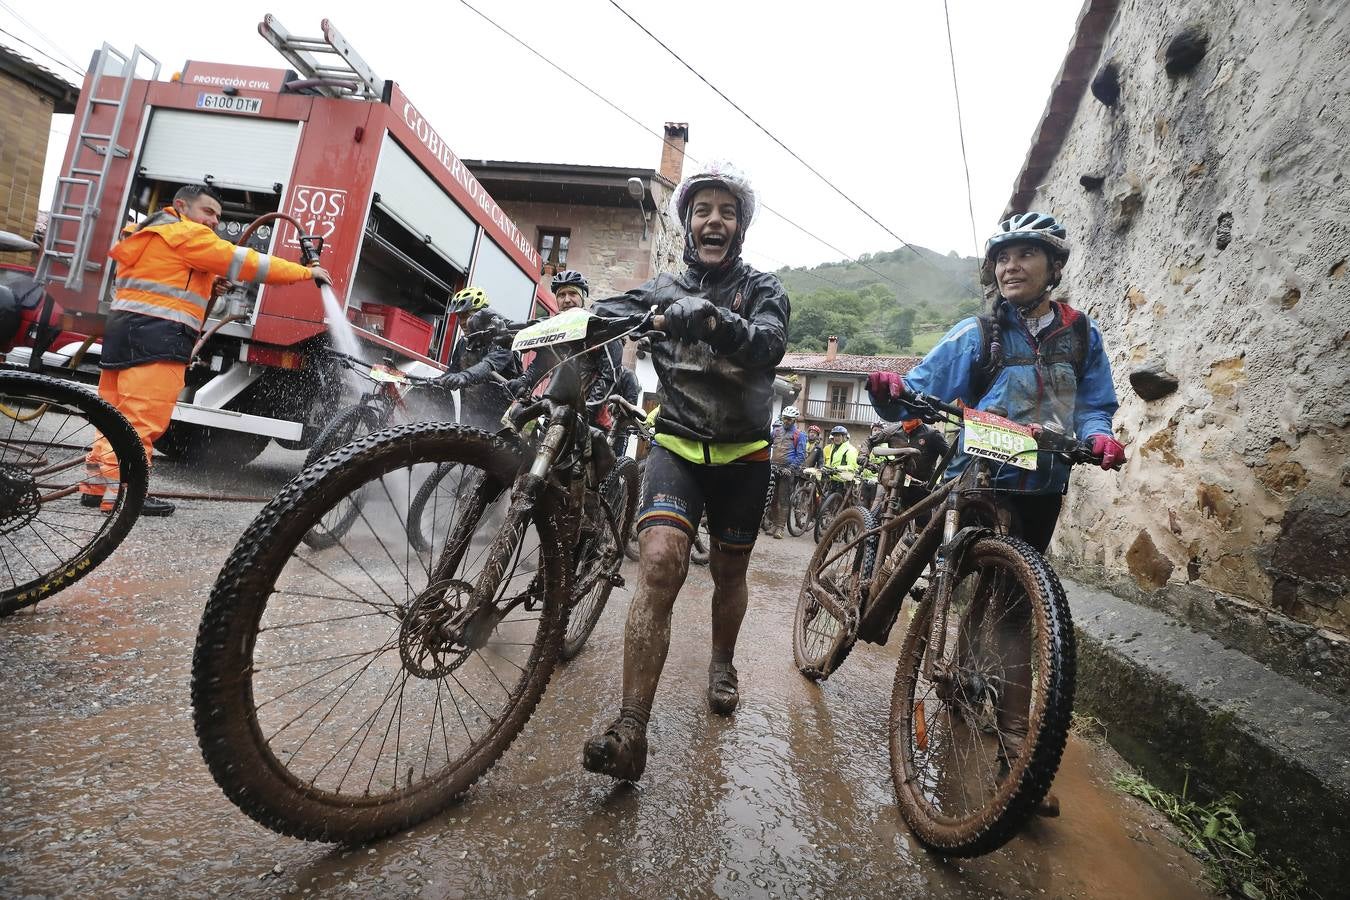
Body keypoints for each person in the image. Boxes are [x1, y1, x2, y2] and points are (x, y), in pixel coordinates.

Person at [865, 211, 1124, 787]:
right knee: (947, 580)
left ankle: (1015, 753)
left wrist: (1098, 433)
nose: (1011, 265)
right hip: (980, 476)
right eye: (1003, 256)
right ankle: (920, 641)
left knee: (1014, 613)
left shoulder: (1081, 334)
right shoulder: (977, 332)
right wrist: (891, 395)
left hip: (1042, 485)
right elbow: (920, 389)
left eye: (1026, 254)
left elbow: (1094, 402)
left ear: (1053, 266)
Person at [582, 160, 789, 781]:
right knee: (662, 562)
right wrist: (562, 325)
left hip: (743, 456)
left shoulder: (764, 289)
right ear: (688, 223)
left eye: (727, 211)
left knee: (730, 575)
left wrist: (711, 318)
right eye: (703, 210)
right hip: (676, 448)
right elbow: (607, 312)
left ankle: (722, 659)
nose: (714, 221)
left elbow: (769, 344)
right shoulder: (663, 287)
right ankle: (630, 729)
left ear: (741, 228)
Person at [84, 184, 330, 516]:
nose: (214, 221)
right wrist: (305, 272)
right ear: (181, 206)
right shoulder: (188, 235)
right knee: (141, 420)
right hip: (158, 339)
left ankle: (97, 487)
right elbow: (247, 262)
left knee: (112, 414)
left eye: (218, 215)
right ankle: (125, 497)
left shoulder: (150, 231)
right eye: (208, 212)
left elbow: (164, 277)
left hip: (122, 334)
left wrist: (207, 281)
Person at [436, 286, 521, 430]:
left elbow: (487, 366)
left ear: (482, 316)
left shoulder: (502, 341)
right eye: (459, 317)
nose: (462, 322)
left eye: (467, 316)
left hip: (498, 417)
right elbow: (453, 370)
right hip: (470, 413)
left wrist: (464, 376)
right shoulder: (463, 343)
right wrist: (436, 381)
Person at [765, 405, 807, 538]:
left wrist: (790, 468)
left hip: (787, 470)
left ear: (794, 420)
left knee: (783, 499)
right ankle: (773, 524)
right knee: (772, 498)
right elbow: (766, 445)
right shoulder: (776, 431)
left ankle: (780, 528)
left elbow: (801, 455)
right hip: (773, 467)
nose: (786, 421)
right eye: (785, 418)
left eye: (789, 419)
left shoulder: (799, 435)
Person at [821, 425, 858, 497]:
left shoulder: (850, 449)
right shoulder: (834, 448)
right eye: (835, 436)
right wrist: (825, 467)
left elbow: (853, 467)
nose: (836, 438)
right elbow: (830, 463)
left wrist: (837, 468)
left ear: (844, 437)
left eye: (839, 436)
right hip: (833, 478)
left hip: (844, 481)